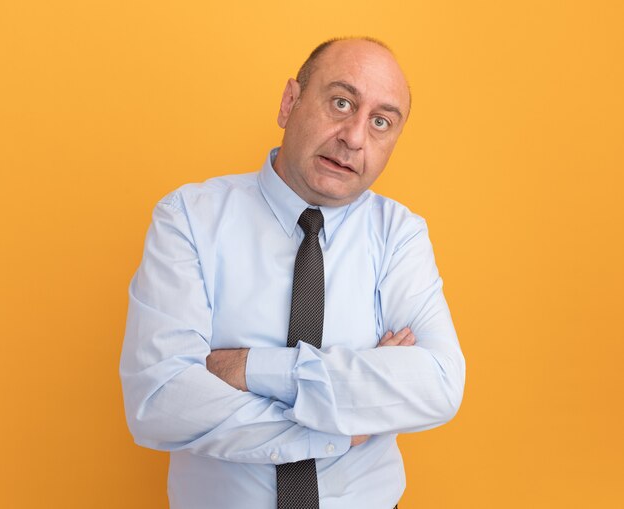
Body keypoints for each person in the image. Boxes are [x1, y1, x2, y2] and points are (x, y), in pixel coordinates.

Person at [120, 37, 465, 509]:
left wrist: (249, 367)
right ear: (289, 103)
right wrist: (343, 426)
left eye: (380, 122)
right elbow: (159, 403)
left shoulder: (399, 235)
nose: (355, 137)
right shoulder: (188, 218)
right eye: (341, 102)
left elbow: (439, 384)